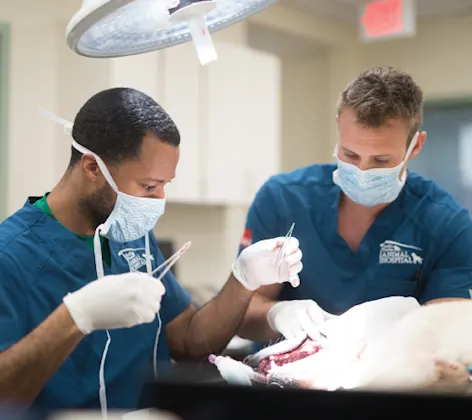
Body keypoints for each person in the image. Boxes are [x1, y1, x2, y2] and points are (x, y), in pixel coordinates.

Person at [0, 87, 303, 411]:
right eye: (148, 186)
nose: (159, 200)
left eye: (164, 185)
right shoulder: (12, 255)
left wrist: (243, 279)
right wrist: (74, 318)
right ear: (92, 168)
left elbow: (188, 340)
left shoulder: (131, 233)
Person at [236, 66, 472, 350]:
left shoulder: (446, 224)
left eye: (381, 160)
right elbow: (242, 314)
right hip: (284, 387)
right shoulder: (283, 199)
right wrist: (276, 314)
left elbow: (449, 340)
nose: (362, 170)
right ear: (338, 127)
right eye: (350, 154)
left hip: (389, 385)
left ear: (416, 145)